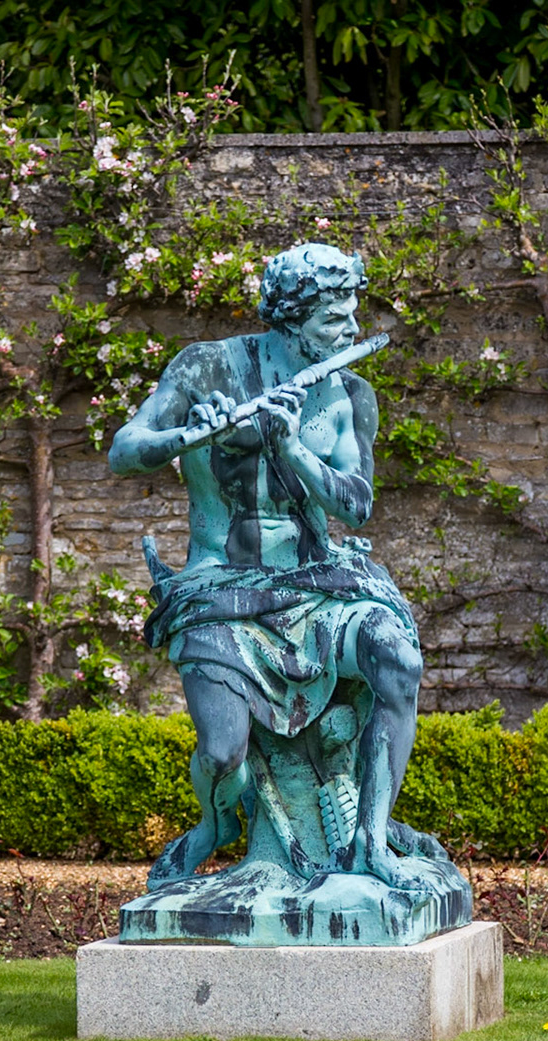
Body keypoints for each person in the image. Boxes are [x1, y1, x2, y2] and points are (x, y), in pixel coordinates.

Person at [109, 243, 441, 892]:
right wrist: (184, 439)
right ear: (289, 320)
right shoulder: (207, 369)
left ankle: (372, 843)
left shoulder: (349, 394)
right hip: (221, 586)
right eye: (332, 321)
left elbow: (358, 504)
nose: (350, 331)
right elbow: (126, 449)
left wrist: (293, 447)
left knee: (398, 660)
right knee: (221, 750)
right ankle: (214, 824)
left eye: (352, 316)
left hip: (318, 585)